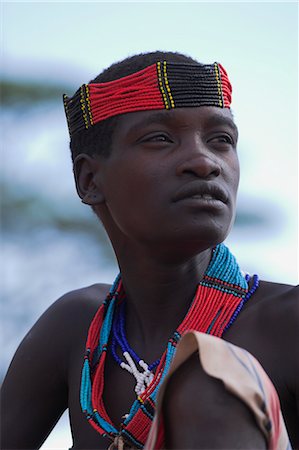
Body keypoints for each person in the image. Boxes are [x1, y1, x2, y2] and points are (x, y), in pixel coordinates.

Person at [1, 51, 298, 450]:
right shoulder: (75, 327)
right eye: (159, 138)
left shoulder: (288, 323)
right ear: (90, 180)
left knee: (211, 379)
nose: (203, 161)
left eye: (221, 140)